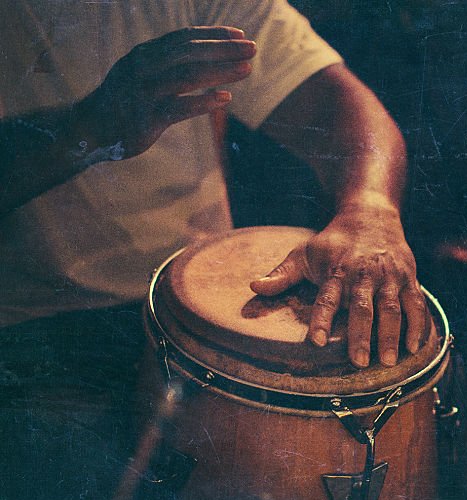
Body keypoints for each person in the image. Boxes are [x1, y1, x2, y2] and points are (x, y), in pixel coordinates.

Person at [0, 0, 423, 369]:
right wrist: (88, 128)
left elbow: (334, 104)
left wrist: (370, 209)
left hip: (202, 296)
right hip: (38, 328)